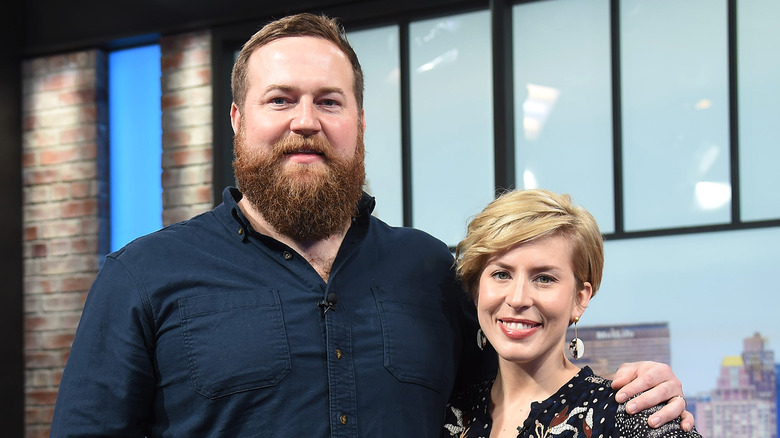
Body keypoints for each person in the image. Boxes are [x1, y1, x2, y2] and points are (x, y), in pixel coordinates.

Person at [50, 13, 692, 437]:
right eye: (281, 99)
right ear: (238, 120)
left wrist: (629, 389)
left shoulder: (432, 271)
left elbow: (515, 390)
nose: (307, 120)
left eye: (330, 101)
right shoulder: (142, 276)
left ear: (358, 123)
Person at [443, 189, 701, 437]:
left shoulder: (628, 414)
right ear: (477, 290)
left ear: (580, 299)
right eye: (501, 274)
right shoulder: (445, 414)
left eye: (544, 278)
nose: (517, 298)